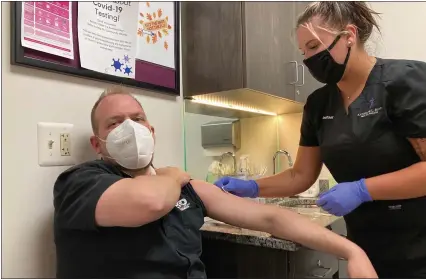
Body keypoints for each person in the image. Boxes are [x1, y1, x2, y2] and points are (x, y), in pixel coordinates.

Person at [53, 87, 377, 279]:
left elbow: (270, 218)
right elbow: (149, 201)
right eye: (115, 123)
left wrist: (351, 251)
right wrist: (171, 176)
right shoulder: (80, 183)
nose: (130, 128)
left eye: (137, 120)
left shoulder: (184, 185)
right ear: (98, 144)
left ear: (150, 131)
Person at [214, 1, 426, 278]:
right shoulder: (318, 105)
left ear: (349, 36)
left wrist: (362, 190)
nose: (308, 59)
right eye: (303, 52)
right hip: (366, 243)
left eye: (313, 47)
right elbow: (300, 175)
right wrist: (252, 187)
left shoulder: (405, 81)